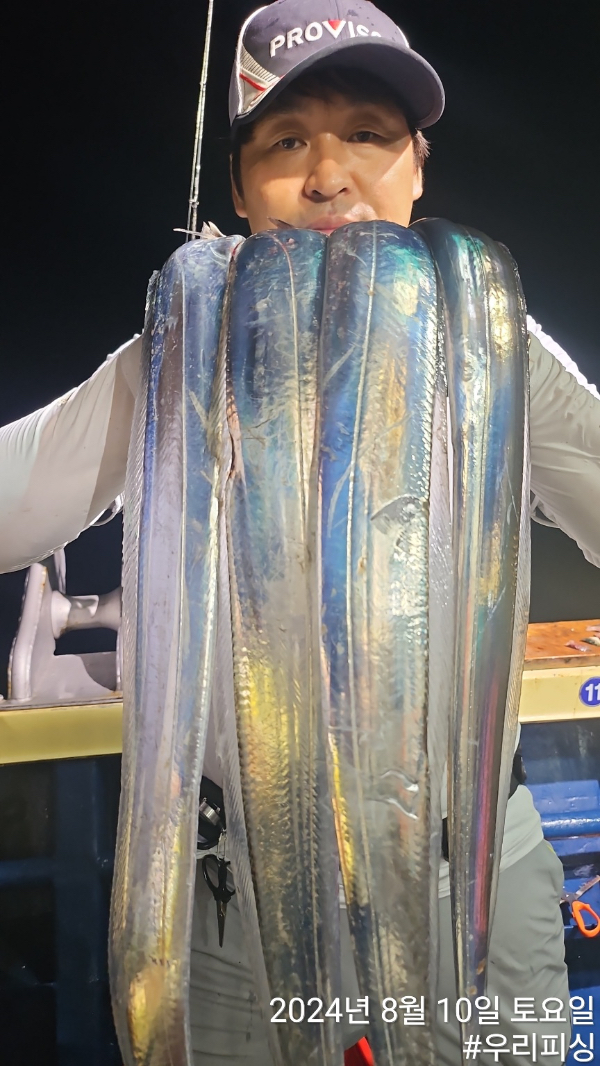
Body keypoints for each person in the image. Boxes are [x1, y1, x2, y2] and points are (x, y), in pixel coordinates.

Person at [0, 1, 599, 1063]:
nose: (328, 176)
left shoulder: (492, 339)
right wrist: (157, 366)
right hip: (235, 889)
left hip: (468, 879)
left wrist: (517, 354)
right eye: (286, 142)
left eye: (367, 134)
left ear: (417, 167)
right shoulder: (179, 351)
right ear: (239, 190)